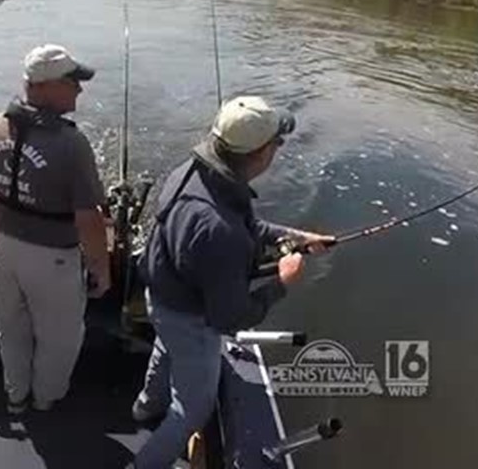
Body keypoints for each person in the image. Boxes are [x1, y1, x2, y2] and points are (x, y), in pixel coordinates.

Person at [129, 96, 333, 469]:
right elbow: (230, 318)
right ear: (260, 153)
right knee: (193, 410)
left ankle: (144, 408)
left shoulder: (191, 171)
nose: (278, 149)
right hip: (190, 320)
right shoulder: (220, 231)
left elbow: (242, 227)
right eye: (277, 143)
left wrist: (293, 236)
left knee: (164, 350)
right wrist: (283, 282)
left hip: (159, 297)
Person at [0, 44, 112, 414]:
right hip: (53, 261)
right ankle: (46, 398)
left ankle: (15, 395)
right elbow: (89, 219)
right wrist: (100, 268)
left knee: (11, 328)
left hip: (0, 249)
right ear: (46, 86)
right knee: (60, 338)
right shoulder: (71, 144)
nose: (79, 89)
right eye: (73, 81)